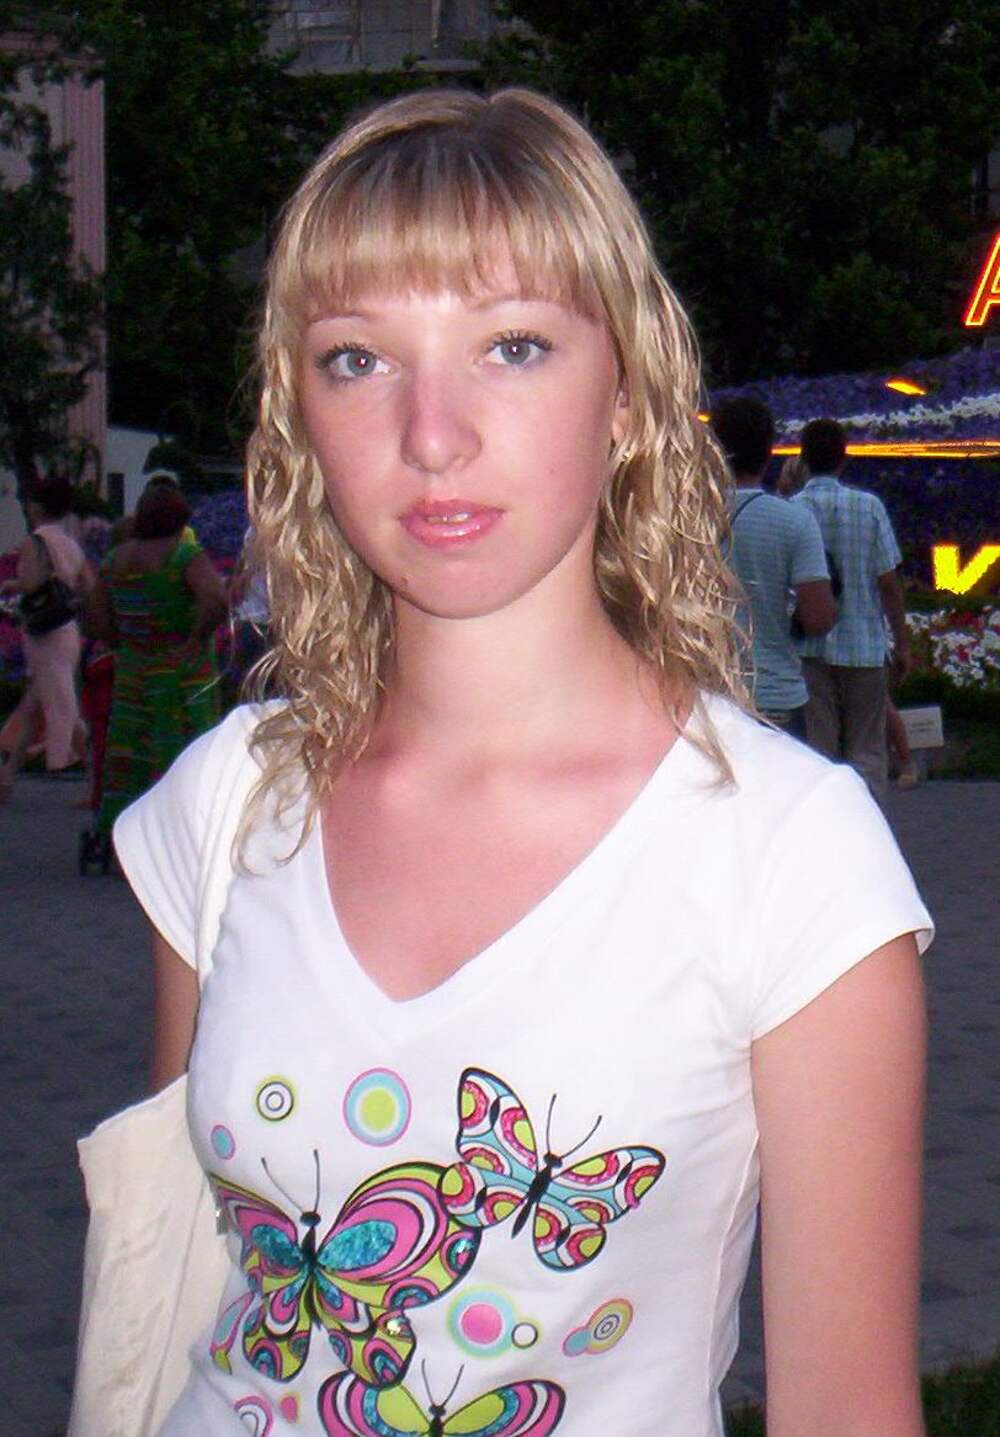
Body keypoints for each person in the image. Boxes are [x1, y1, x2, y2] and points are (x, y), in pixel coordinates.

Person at [105, 90, 931, 1437]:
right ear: (300, 413)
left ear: (629, 399)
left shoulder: (787, 855)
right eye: (357, 359)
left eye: (514, 346)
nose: (433, 434)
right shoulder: (230, 799)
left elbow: (846, 1407)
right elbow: (188, 1276)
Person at [87, 481, 227, 837]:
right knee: (183, 750)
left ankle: (119, 829)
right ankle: (180, 828)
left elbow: (96, 613)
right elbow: (215, 598)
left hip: (133, 670)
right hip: (181, 673)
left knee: (130, 750)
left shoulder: (115, 560)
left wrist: (120, 641)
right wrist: (196, 638)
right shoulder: (183, 556)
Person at [792, 418, 912, 803]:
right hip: (864, 646)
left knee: (819, 751)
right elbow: (888, 583)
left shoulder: (792, 511)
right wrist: (902, 643)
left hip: (810, 648)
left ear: (803, 459)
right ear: (844, 459)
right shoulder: (869, 507)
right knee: (868, 750)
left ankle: (827, 823)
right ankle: (868, 819)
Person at [711, 397, 836, 735]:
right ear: (769, 451)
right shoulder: (794, 521)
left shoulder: (684, 518)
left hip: (706, 697)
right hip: (774, 693)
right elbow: (818, 617)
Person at [0, 477, 94, 802]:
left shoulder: (35, 541)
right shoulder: (70, 543)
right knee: (43, 701)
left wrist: (10, 585)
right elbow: (87, 585)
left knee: (59, 703)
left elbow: (30, 583)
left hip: (44, 632)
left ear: (37, 506)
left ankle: (94, 775)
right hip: (66, 628)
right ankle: (8, 775)